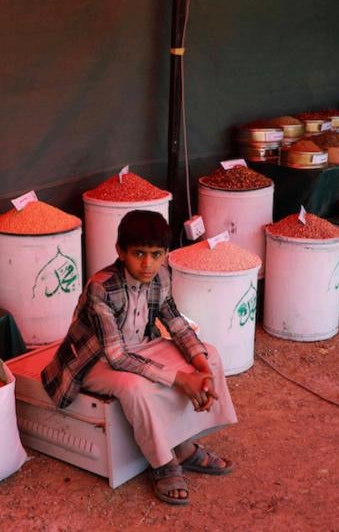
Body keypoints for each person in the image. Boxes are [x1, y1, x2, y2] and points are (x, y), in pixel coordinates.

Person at [42, 210, 237, 505]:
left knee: (211, 355)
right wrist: (181, 379)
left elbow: (176, 324)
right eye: (139, 254)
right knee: (136, 387)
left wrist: (200, 370)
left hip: (143, 347)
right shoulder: (101, 286)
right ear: (120, 251)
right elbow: (117, 356)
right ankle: (163, 463)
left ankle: (182, 446)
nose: (148, 264)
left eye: (157, 254)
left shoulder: (160, 276)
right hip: (95, 361)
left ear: (165, 254)